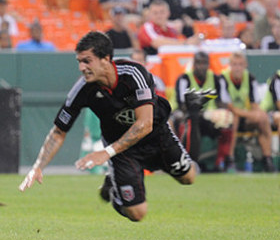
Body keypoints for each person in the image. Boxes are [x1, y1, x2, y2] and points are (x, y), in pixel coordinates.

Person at [19, 31, 197, 222]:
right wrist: (38, 166)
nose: (81, 67)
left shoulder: (134, 74)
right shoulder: (83, 89)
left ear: (105, 59)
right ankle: (114, 189)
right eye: (79, 61)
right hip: (122, 150)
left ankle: (116, 179)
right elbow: (58, 132)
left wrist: (106, 153)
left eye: (87, 61)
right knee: (137, 214)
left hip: (156, 136)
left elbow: (145, 124)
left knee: (188, 178)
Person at [173, 51, 234, 172]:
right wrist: (202, 111)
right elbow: (183, 106)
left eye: (204, 63)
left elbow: (223, 102)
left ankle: (223, 161)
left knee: (227, 120)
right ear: (193, 64)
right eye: (198, 63)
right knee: (192, 119)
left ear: (208, 65)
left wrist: (218, 113)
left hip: (211, 119)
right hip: (190, 116)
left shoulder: (217, 79)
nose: (201, 67)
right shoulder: (184, 79)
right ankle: (190, 161)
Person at [222, 51, 275, 172]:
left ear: (245, 65)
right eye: (235, 64)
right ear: (230, 65)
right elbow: (229, 107)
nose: (237, 68)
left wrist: (256, 114)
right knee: (234, 118)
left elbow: (255, 105)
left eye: (240, 64)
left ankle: (267, 158)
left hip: (244, 116)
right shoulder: (223, 78)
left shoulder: (250, 78)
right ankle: (229, 159)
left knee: (263, 118)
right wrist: (250, 113)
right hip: (227, 117)